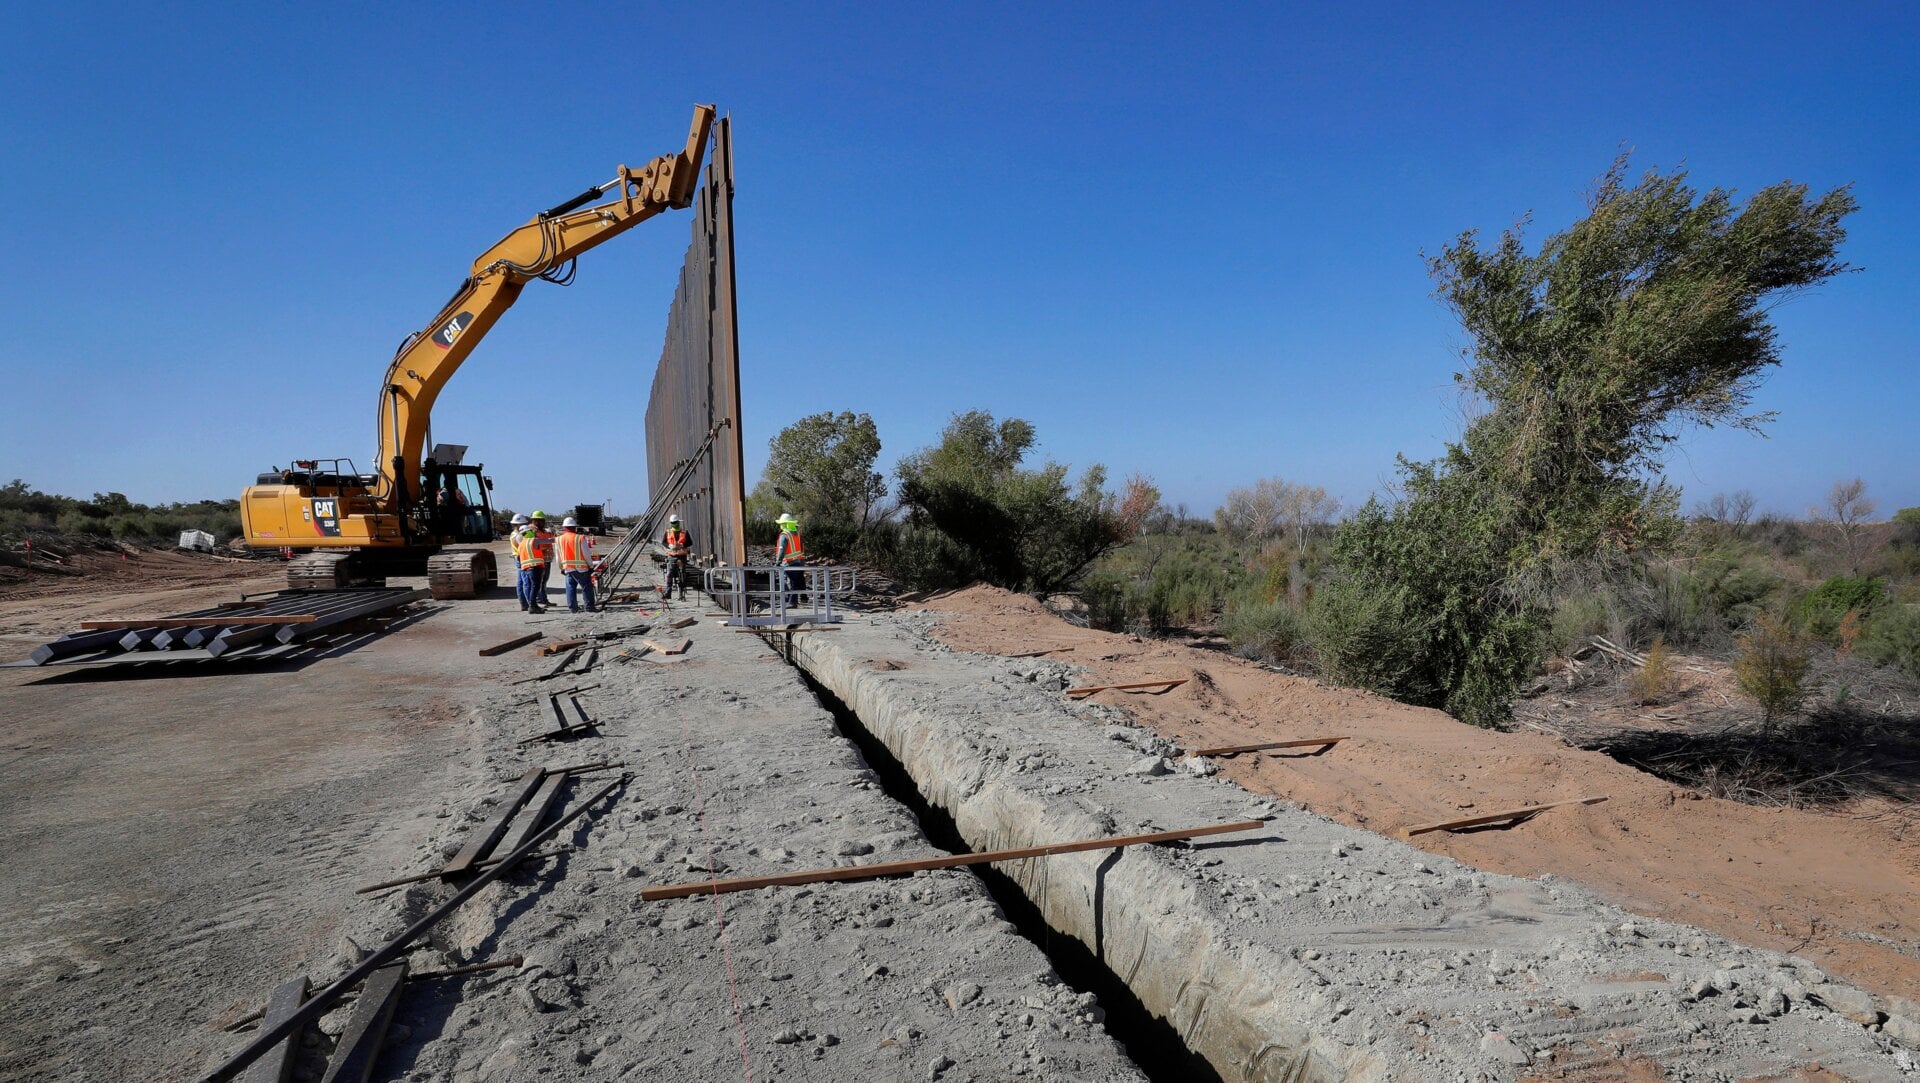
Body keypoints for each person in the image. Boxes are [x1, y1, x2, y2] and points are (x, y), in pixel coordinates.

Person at [556, 516, 597, 613]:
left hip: (568, 568)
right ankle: (589, 607)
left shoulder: (558, 539)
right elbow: (586, 553)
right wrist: (591, 566)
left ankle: (573, 608)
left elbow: (558, 557)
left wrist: (561, 567)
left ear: (564, 527)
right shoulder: (579, 538)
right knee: (586, 587)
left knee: (570, 588)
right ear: (575, 527)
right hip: (581, 568)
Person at [513, 516, 547, 613]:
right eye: (531, 531)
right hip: (535, 567)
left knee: (533, 586)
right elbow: (547, 543)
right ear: (528, 532)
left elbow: (519, 557)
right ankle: (532, 606)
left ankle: (532, 605)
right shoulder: (534, 541)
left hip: (528, 568)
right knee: (535, 587)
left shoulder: (522, 544)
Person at [774, 512, 806, 610]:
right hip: (799, 561)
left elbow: (781, 550)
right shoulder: (797, 534)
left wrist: (777, 562)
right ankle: (803, 598)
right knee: (798, 581)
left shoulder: (784, 535)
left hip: (788, 562)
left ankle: (792, 602)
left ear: (784, 524)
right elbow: (801, 548)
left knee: (791, 583)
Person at [662, 514, 692, 600]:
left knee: (682, 574)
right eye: (673, 523)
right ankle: (668, 592)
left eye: (675, 522)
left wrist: (682, 544)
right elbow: (663, 542)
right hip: (672, 556)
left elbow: (690, 542)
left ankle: (682, 593)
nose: (674, 524)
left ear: (678, 522)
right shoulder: (668, 532)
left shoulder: (684, 532)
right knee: (669, 574)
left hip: (682, 556)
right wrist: (670, 546)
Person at [529, 510, 555, 601]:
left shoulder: (543, 530)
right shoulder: (531, 531)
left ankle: (543, 599)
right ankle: (539, 599)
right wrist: (548, 542)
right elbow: (533, 544)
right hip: (539, 560)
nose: (543, 522)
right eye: (541, 520)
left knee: (544, 581)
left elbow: (550, 538)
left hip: (547, 560)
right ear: (535, 521)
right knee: (539, 581)